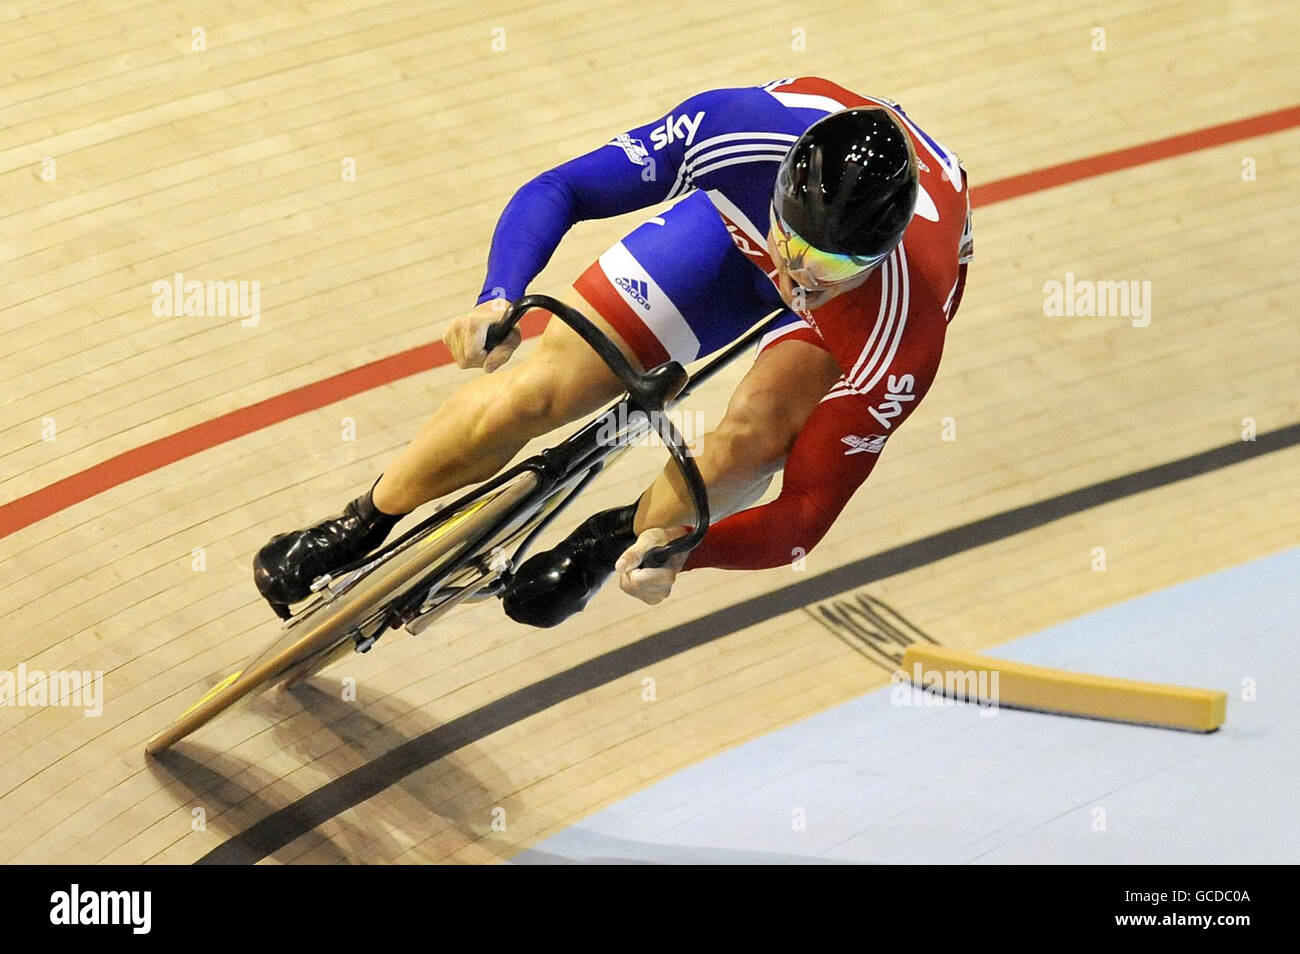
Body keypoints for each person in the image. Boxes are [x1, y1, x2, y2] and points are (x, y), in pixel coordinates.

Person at [253, 77, 973, 626]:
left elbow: (806, 513)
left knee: (750, 441)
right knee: (534, 393)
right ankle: (364, 519)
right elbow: (562, 187)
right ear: (780, 192)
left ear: (874, 257)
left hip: (856, 315)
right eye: (795, 247)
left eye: (833, 268)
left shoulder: (904, 324)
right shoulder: (735, 132)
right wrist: (499, 295)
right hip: (731, 232)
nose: (800, 280)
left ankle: (609, 539)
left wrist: (683, 552)